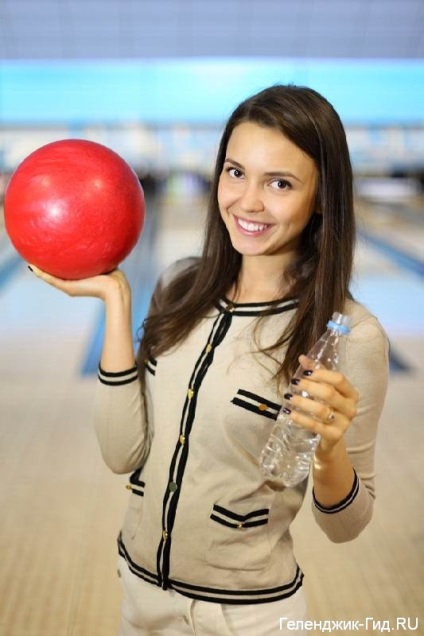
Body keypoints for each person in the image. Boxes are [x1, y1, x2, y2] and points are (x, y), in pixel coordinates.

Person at [30, 85, 389, 635]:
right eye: (236, 171)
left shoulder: (350, 336)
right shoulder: (178, 286)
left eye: (280, 183)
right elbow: (121, 453)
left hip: (246, 619)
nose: (247, 201)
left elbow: (347, 525)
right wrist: (116, 302)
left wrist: (328, 447)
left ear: (320, 197)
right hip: (138, 599)